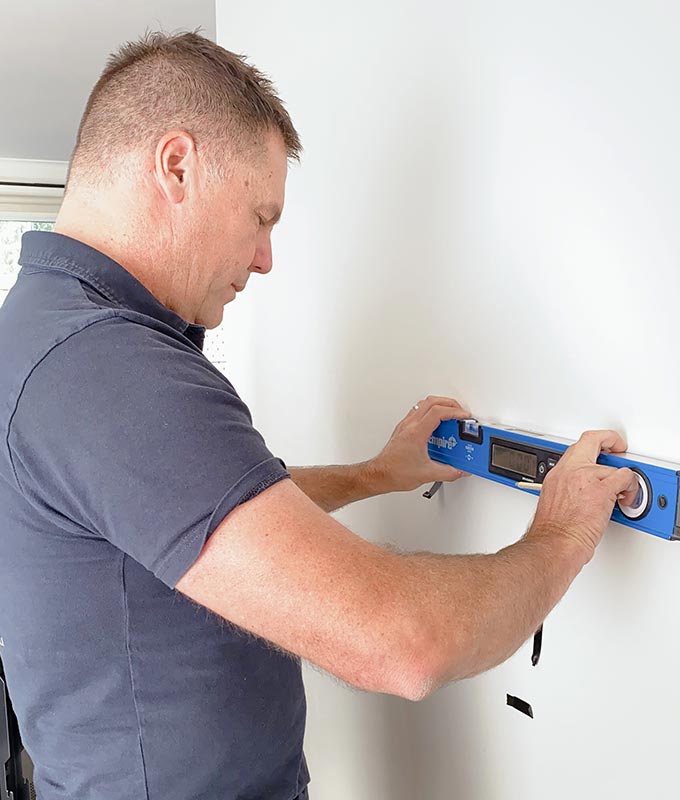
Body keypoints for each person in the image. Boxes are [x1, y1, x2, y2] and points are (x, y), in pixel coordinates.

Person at [0, 30, 638, 800]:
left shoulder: (41, 329)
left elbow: (195, 509)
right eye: (261, 216)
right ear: (176, 167)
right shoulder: (107, 366)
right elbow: (404, 645)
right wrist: (563, 532)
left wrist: (374, 475)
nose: (266, 258)